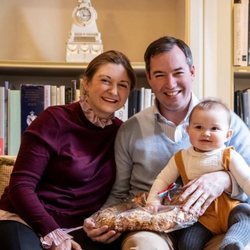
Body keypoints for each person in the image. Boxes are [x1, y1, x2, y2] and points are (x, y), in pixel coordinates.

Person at [83, 36, 250, 250]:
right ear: (150, 79)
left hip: (214, 225)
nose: (170, 84)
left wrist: (225, 179)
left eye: (178, 72)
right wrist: (98, 221)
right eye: (160, 75)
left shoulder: (226, 122)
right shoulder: (130, 129)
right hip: (152, 227)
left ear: (192, 72)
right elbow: (119, 193)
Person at [0, 50, 136, 250]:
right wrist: (52, 232)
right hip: (24, 219)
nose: (114, 91)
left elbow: (125, 192)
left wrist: (103, 223)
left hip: (80, 229)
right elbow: (21, 186)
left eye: (122, 85)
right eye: (106, 81)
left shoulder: (123, 133)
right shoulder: (53, 120)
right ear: (86, 83)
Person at [146, 98, 250, 250]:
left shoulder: (229, 155)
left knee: (245, 220)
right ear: (188, 130)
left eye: (214, 129)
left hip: (231, 209)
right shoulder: (181, 158)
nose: (206, 133)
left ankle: (232, 244)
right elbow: (162, 180)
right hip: (200, 217)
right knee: (187, 244)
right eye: (199, 127)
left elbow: (247, 180)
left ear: (228, 135)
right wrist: (153, 201)